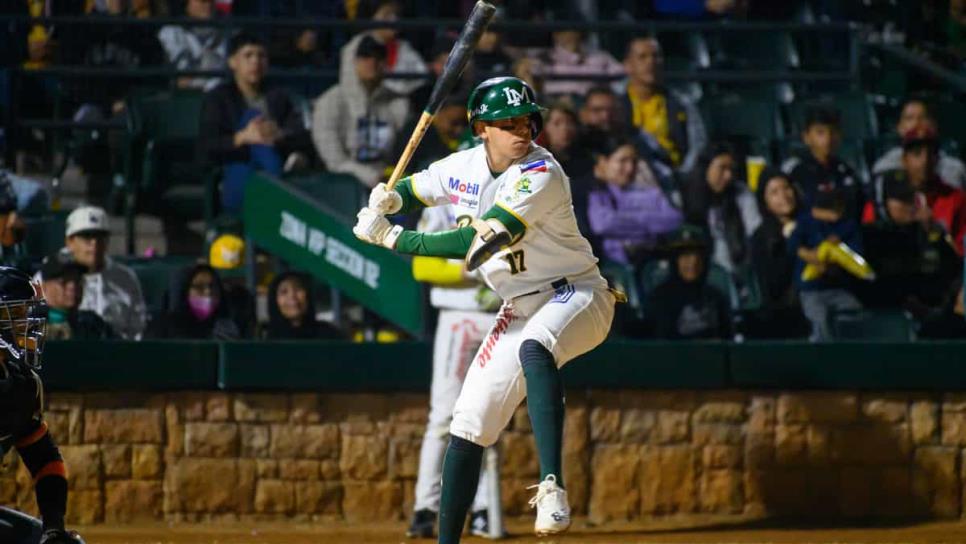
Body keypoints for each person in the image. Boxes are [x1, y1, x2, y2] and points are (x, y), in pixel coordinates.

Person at [352, 76, 621, 542]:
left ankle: (552, 485)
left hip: (577, 293)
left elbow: (474, 240)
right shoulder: (462, 164)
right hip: (519, 303)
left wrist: (394, 236)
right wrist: (390, 196)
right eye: (507, 123)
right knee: (468, 422)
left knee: (536, 347)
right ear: (482, 128)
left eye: (526, 122)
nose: (521, 132)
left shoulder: (542, 173)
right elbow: (419, 187)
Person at [405, 205, 502, 539]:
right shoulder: (441, 206)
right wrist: (474, 271)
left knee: (487, 419)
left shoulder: (509, 201)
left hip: (498, 317)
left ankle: (485, 509)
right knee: (443, 417)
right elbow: (421, 265)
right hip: (456, 315)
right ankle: (425, 508)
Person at [0, 267, 86, 544]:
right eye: (15, 314)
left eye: (26, 313)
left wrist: (53, 527)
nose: (25, 323)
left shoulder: (20, 385)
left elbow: (44, 459)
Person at [200, 33, 314, 214]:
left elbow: (302, 136)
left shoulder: (278, 96)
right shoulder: (219, 98)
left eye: (261, 55)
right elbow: (207, 146)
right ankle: (277, 182)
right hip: (235, 168)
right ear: (232, 62)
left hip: (265, 165)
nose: (256, 61)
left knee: (261, 137)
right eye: (248, 55)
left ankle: (273, 181)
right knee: (251, 120)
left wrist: (278, 134)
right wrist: (242, 137)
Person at [312, 35, 411, 188]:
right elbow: (334, 160)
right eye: (365, 56)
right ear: (351, 61)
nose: (372, 62)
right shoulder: (330, 102)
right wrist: (372, 177)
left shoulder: (397, 103)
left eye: (379, 57)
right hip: (342, 185)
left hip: (388, 182)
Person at [41, 206, 147, 340]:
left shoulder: (125, 277)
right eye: (87, 237)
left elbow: (137, 329)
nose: (94, 244)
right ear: (70, 241)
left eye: (100, 237)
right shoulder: (50, 270)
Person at [865, 125, 966, 257]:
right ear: (904, 159)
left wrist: (936, 232)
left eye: (931, 154)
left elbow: (961, 252)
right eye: (917, 153)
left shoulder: (956, 198)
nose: (925, 161)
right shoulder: (883, 199)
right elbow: (868, 241)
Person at [586, 134, 682, 264]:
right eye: (623, 161)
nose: (630, 168)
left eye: (634, 161)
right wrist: (651, 224)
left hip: (652, 261)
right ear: (604, 162)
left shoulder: (649, 191)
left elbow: (673, 219)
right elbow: (602, 224)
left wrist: (621, 219)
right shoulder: (597, 191)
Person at [789, 185, 868, 342]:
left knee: (855, 312)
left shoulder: (847, 225)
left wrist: (837, 254)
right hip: (811, 289)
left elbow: (857, 257)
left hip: (838, 287)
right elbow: (793, 245)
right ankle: (823, 357)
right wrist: (811, 256)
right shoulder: (806, 221)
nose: (833, 211)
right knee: (819, 319)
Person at [621, 35, 707, 174]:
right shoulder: (615, 103)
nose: (651, 62)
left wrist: (682, 175)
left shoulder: (682, 102)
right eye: (642, 57)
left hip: (674, 175)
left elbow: (698, 145)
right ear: (627, 65)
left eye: (656, 56)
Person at [748, 167, 809, 338]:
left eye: (786, 188)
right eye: (774, 192)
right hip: (784, 316)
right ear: (765, 201)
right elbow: (771, 285)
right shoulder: (761, 237)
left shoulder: (812, 224)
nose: (783, 195)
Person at [683, 143, 761, 273]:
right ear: (706, 167)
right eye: (722, 168)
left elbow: (755, 232)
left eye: (731, 169)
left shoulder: (740, 193)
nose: (728, 176)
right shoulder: (684, 195)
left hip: (738, 269)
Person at [649, 225, 732, 339]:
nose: (693, 262)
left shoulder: (716, 298)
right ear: (675, 260)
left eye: (698, 256)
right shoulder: (660, 298)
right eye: (686, 256)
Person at [782, 106, 864, 220]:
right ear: (806, 137)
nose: (828, 138)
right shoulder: (794, 169)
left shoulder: (846, 170)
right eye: (820, 132)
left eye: (833, 131)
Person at [338, 0, 428, 96]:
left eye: (395, 15)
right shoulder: (354, 47)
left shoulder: (403, 46)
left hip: (397, 103)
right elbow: (349, 87)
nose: (394, 20)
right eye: (386, 15)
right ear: (371, 18)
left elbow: (421, 76)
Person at [872, 98, 965, 189]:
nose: (916, 123)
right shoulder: (885, 168)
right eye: (909, 118)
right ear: (899, 127)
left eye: (923, 117)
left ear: (934, 125)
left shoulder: (955, 169)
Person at [532, 24, 624, 100]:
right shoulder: (544, 57)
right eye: (565, 30)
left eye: (575, 29)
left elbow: (621, 77)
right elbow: (534, 78)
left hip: (592, 101)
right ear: (555, 35)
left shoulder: (600, 56)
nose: (571, 34)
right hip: (557, 101)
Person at [152, 263, 240, 339]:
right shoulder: (162, 330)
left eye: (213, 286)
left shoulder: (226, 329)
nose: (208, 292)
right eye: (199, 287)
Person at [158, 0, 228, 90]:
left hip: (223, 96)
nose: (208, 5)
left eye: (211, 1)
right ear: (186, 4)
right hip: (185, 98)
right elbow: (181, 82)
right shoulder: (171, 32)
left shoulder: (228, 29)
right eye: (202, 1)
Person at [40, 258, 115, 340]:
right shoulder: (31, 326)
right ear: (44, 288)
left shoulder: (94, 324)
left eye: (78, 281)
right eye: (63, 282)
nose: (73, 287)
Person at [263, 271, 343, 340]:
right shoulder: (269, 341)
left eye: (298, 289)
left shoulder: (330, 335)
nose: (292, 296)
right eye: (284, 292)